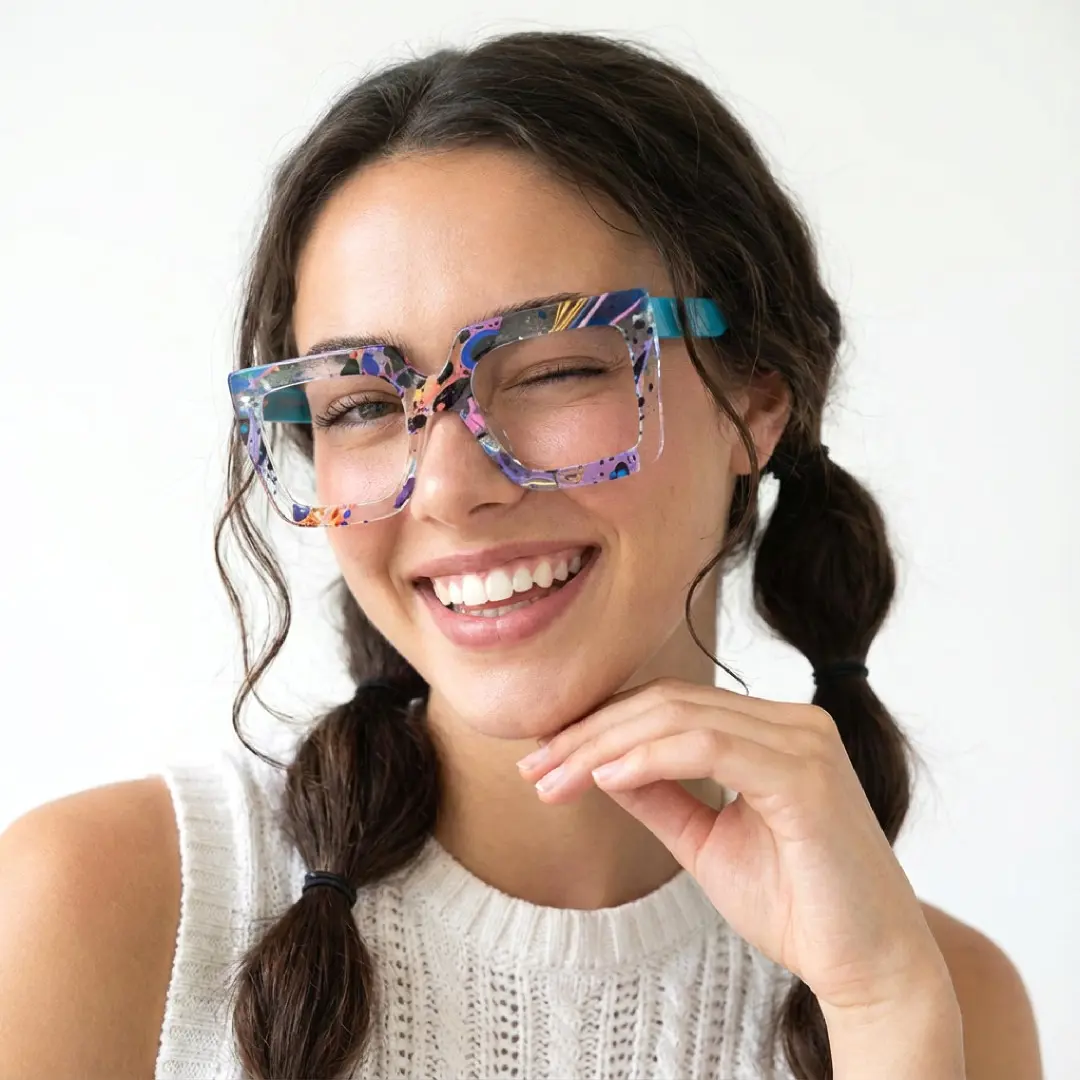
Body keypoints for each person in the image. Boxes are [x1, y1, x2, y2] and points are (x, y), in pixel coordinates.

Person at [0, 29, 1042, 1080]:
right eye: (362, 403)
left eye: (552, 372)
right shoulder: (104, 905)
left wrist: (883, 1009)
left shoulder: (938, 997)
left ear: (759, 398)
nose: (451, 485)